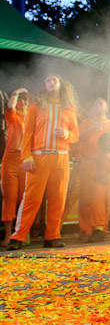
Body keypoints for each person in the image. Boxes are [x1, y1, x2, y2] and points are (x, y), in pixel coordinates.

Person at [6, 74, 79, 250]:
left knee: (58, 199)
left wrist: (66, 134)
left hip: (61, 157)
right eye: (47, 80)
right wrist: (27, 157)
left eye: (54, 80)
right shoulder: (35, 107)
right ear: (44, 86)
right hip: (39, 157)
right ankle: (18, 237)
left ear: (61, 84)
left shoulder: (69, 109)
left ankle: (52, 236)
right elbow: (27, 134)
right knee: (31, 198)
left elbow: (75, 135)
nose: (51, 82)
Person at [75, 97, 110, 242]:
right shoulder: (85, 124)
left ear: (106, 108)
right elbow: (76, 138)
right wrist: (92, 129)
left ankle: (100, 228)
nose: (98, 106)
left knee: (101, 198)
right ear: (91, 108)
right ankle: (85, 229)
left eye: (101, 103)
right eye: (95, 103)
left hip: (104, 164)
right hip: (87, 163)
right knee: (85, 198)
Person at [1, 88, 30, 245]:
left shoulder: (32, 120)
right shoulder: (12, 117)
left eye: (26, 101)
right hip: (11, 159)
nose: (22, 103)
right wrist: (16, 92)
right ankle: (7, 234)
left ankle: (23, 233)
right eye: (20, 100)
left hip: (25, 160)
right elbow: (10, 106)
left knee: (25, 198)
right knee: (10, 198)